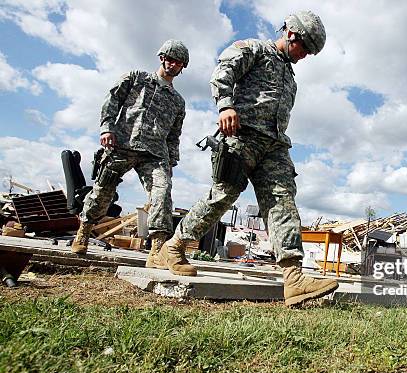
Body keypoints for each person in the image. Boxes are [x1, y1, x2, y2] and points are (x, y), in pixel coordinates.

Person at [154, 11, 339, 306]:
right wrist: (225, 105)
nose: (305, 56)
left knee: (282, 202)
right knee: (223, 197)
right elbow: (222, 73)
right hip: (242, 136)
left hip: (274, 146)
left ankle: (293, 278)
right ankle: (174, 247)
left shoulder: (289, 76)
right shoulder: (254, 49)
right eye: (304, 47)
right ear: (291, 34)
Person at [71, 39, 188, 269]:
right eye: (171, 59)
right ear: (162, 57)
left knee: (162, 194)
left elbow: (175, 134)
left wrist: (171, 160)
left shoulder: (178, 101)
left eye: (179, 63)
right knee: (102, 192)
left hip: (155, 154)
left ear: (182, 68)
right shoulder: (136, 78)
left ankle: (156, 252)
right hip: (123, 143)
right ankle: (83, 231)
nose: (173, 65)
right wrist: (107, 128)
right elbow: (112, 100)